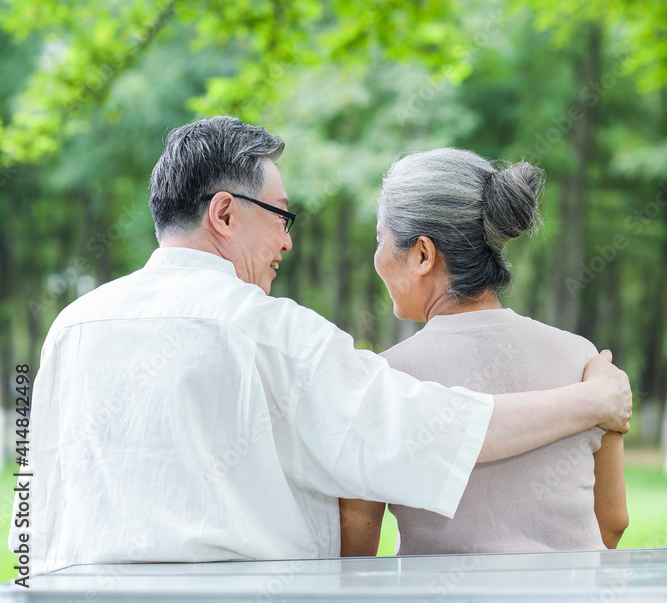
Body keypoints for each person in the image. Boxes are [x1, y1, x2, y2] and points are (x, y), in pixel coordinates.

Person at [11, 118, 631, 575]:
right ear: (224, 214)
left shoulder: (72, 326)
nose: (286, 241)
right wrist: (594, 401)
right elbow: (441, 429)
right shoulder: (273, 333)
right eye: (281, 216)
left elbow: (31, 498)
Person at [339, 148, 629, 556]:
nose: (378, 256)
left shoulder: (383, 377)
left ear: (422, 254)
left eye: (380, 238)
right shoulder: (585, 361)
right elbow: (613, 524)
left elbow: (356, 541)